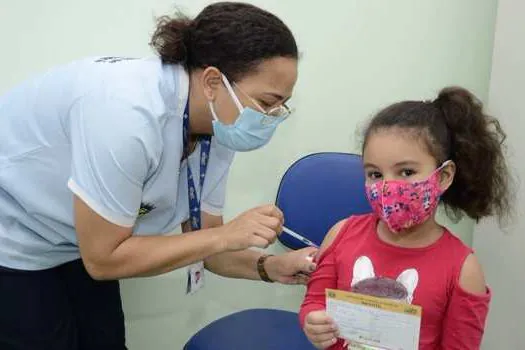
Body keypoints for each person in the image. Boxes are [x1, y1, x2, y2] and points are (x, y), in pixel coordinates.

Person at [0, 2, 318, 350]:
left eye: (281, 106)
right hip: (14, 237)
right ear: (213, 81)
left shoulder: (219, 123)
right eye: (267, 102)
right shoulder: (126, 113)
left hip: (79, 241)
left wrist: (269, 266)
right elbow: (105, 259)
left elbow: (206, 242)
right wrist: (226, 235)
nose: (271, 118)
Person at [299, 87, 512, 349]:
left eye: (406, 171)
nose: (388, 186)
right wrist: (313, 320)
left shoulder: (463, 269)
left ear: (443, 177)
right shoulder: (341, 234)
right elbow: (315, 301)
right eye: (375, 174)